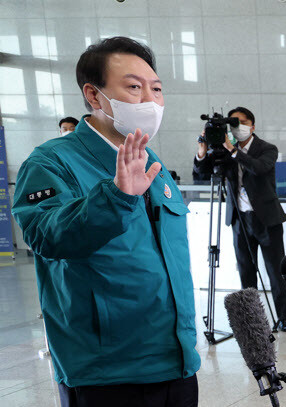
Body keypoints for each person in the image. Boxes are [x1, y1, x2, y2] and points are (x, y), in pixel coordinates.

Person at [12, 37, 201, 406]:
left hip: (175, 360)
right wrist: (115, 197)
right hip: (108, 371)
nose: (149, 98)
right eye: (134, 87)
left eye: (156, 88)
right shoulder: (52, 162)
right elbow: (46, 236)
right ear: (94, 95)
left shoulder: (151, 164)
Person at [192, 107, 286, 332]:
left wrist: (233, 150)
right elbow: (201, 173)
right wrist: (202, 150)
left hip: (267, 219)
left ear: (253, 126)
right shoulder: (225, 150)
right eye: (233, 124)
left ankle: (282, 317)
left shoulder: (267, 148)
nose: (237, 128)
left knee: (275, 271)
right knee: (246, 270)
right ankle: (253, 319)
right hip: (239, 219)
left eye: (242, 123)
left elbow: (258, 168)